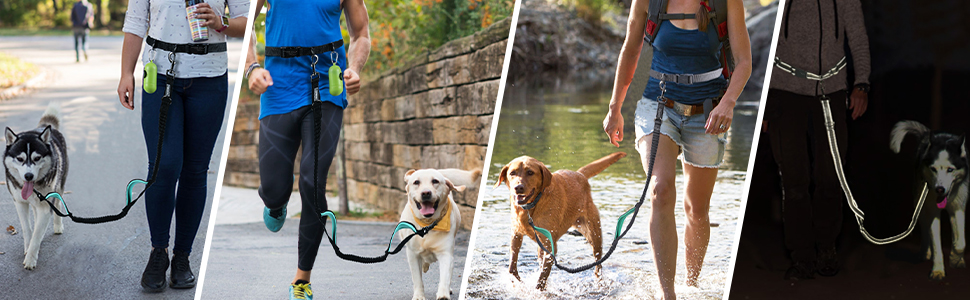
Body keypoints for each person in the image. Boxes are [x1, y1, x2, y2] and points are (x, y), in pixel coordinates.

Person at [602, 0, 751, 298]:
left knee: (697, 210)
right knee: (660, 190)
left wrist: (728, 103)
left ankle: (691, 285)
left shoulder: (725, 2)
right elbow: (631, 51)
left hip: (708, 112)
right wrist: (615, 107)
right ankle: (668, 293)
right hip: (656, 105)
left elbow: (744, 61)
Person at [116, 0, 248, 292]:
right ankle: (158, 252)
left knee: (194, 171)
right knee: (164, 165)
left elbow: (245, 21)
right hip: (160, 75)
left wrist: (220, 22)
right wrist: (127, 72)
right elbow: (136, 22)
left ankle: (182, 257)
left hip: (209, 79)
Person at [244, 0, 370, 298]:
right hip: (278, 84)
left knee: (314, 182)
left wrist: (353, 68)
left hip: (327, 83)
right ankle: (276, 203)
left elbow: (361, 32)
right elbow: (245, 21)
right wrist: (251, 66)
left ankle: (302, 280)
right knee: (274, 187)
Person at [766, 0, 869, 280]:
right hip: (784, 91)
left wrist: (861, 84)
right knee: (793, 179)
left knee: (830, 175)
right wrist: (764, 99)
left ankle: (826, 249)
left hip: (833, 90)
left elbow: (857, 36)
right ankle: (801, 258)